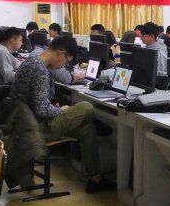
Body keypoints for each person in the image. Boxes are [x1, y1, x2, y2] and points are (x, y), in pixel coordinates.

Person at [10, 36, 114, 193]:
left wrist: (53, 107)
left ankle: (95, 178)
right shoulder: (40, 69)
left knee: (87, 128)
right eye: (66, 62)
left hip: (25, 122)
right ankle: (92, 118)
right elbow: (42, 110)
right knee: (86, 107)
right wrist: (60, 110)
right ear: (61, 54)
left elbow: (37, 102)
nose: (63, 66)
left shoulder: (31, 61)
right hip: (35, 128)